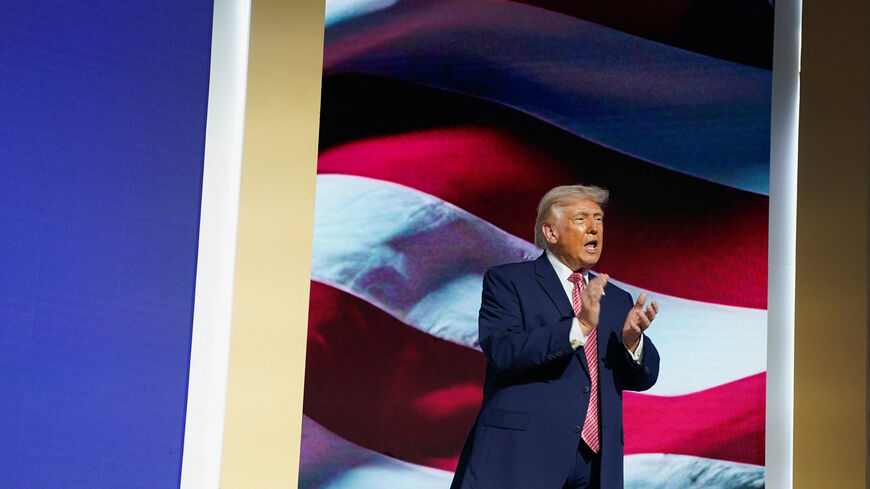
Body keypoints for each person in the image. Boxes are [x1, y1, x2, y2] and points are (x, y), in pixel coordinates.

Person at [450, 185, 660, 489]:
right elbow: (505, 351)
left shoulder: (615, 299)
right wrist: (578, 328)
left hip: (596, 468)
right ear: (551, 233)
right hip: (523, 457)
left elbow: (643, 379)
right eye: (581, 219)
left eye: (599, 219)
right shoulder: (508, 282)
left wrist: (632, 343)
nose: (594, 228)